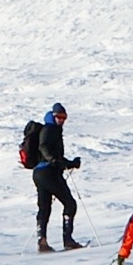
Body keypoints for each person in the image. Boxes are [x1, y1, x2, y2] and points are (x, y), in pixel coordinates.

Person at [32, 102, 84, 252]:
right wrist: (54, 160)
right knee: (70, 203)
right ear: (53, 116)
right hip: (49, 173)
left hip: (39, 173)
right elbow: (44, 147)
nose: (61, 120)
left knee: (44, 207)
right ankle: (68, 240)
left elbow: (53, 155)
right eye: (59, 117)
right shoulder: (50, 129)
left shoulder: (50, 129)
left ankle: (42, 242)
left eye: (64, 117)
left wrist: (69, 163)